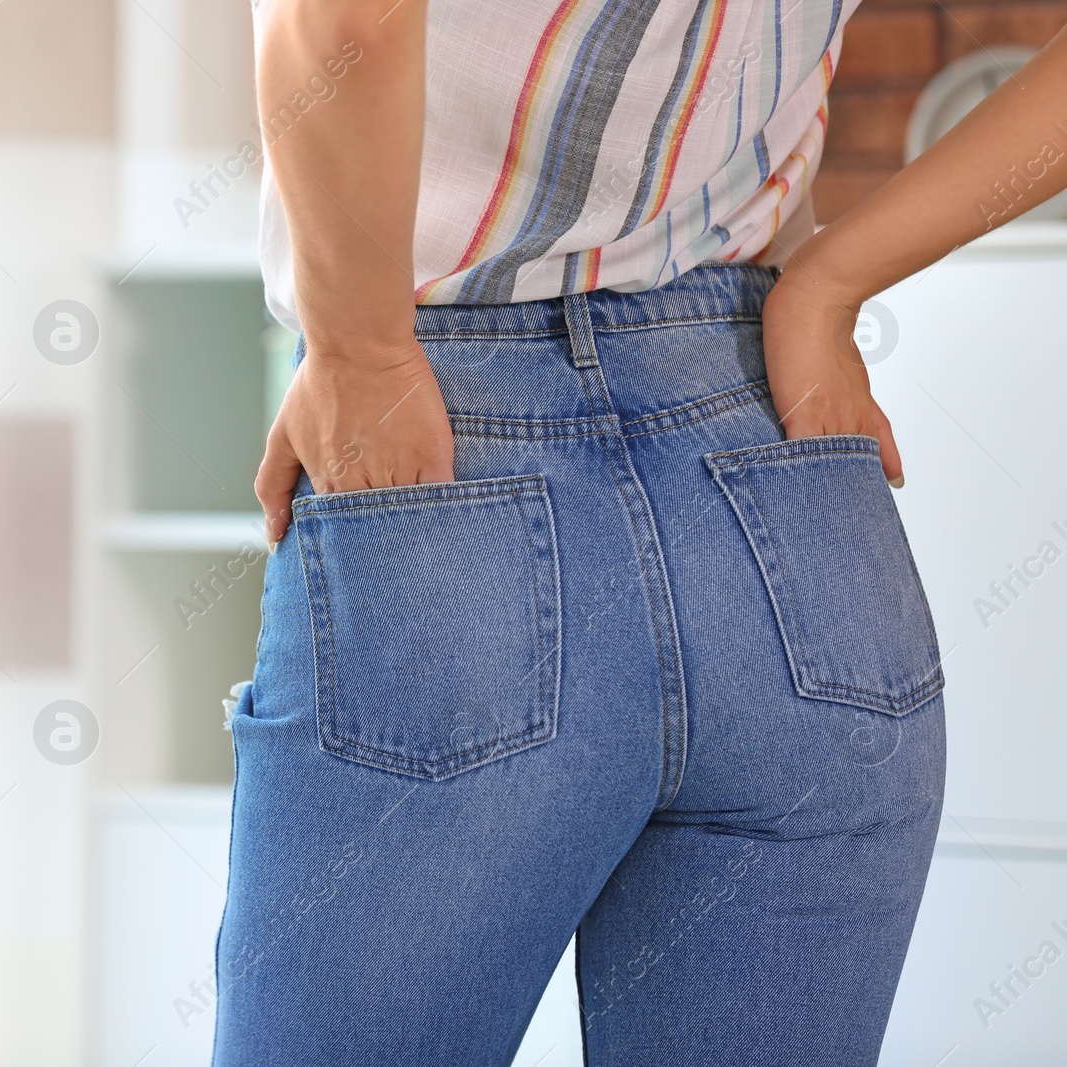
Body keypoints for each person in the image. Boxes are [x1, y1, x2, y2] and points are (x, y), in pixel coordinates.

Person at [213, 0, 1067, 1062]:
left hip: (446, 448)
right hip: (780, 480)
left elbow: (346, 18)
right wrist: (832, 284)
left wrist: (359, 353)